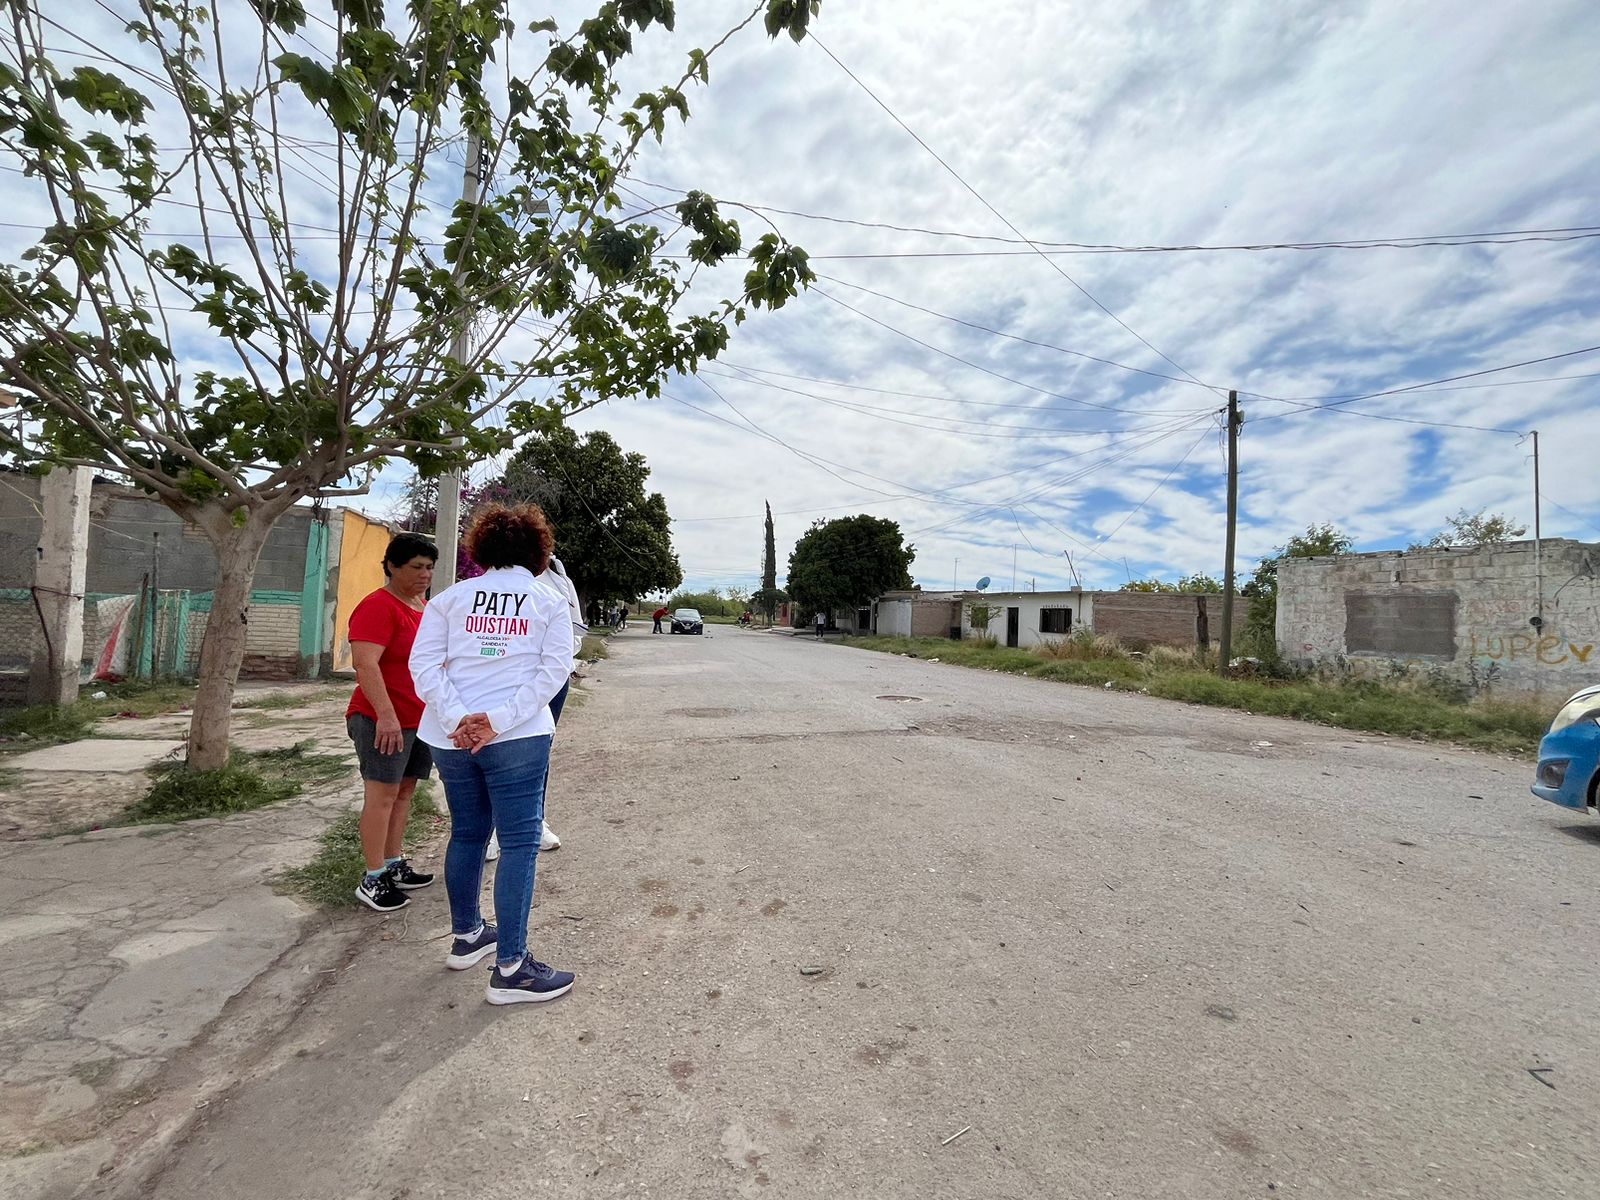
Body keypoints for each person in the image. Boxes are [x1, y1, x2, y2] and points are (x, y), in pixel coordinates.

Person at [410, 503, 575, 1005]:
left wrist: (461, 716)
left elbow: (424, 666)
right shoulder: (547, 602)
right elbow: (554, 672)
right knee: (520, 842)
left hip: (450, 737)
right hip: (517, 737)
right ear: (539, 552)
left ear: (480, 550)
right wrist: (497, 720)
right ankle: (512, 967)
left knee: (467, 832)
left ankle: (467, 937)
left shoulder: (450, 600)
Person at [346, 533, 439, 912]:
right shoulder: (378, 606)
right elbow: (365, 664)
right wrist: (385, 715)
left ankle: (393, 863)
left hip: (418, 720)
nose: (425, 574)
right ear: (392, 566)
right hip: (382, 719)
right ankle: (372, 878)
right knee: (381, 797)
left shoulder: (421, 606)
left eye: (430, 567)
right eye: (416, 566)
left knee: (404, 794)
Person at [485, 552, 581, 862]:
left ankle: (534, 820)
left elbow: (575, 628)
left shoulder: (558, 577)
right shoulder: (490, 580)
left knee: (537, 750)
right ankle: (492, 831)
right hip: (501, 678)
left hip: (549, 679)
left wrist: (559, 661)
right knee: (495, 749)